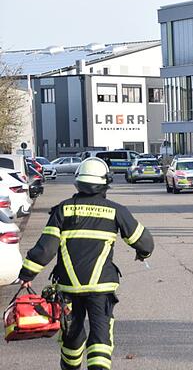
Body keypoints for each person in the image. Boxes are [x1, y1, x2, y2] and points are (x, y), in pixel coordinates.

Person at [17, 157, 154, 370]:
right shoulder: (115, 211)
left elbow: (46, 248)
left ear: (78, 181)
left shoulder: (63, 210)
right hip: (101, 288)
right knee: (101, 335)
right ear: (106, 182)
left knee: (72, 334)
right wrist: (142, 253)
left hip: (69, 288)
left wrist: (27, 274)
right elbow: (144, 241)